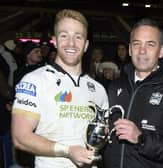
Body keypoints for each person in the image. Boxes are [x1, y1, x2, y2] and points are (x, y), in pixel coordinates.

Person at [12, 9, 108, 168]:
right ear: (55, 41)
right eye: (64, 36)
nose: (71, 43)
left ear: (86, 45)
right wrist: (68, 151)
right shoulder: (35, 81)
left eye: (78, 37)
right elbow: (20, 137)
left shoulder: (99, 90)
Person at [103, 18, 163, 168]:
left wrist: (140, 138)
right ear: (130, 49)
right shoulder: (114, 86)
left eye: (150, 44)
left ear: (162, 51)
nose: (142, 51)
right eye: (137, 44)